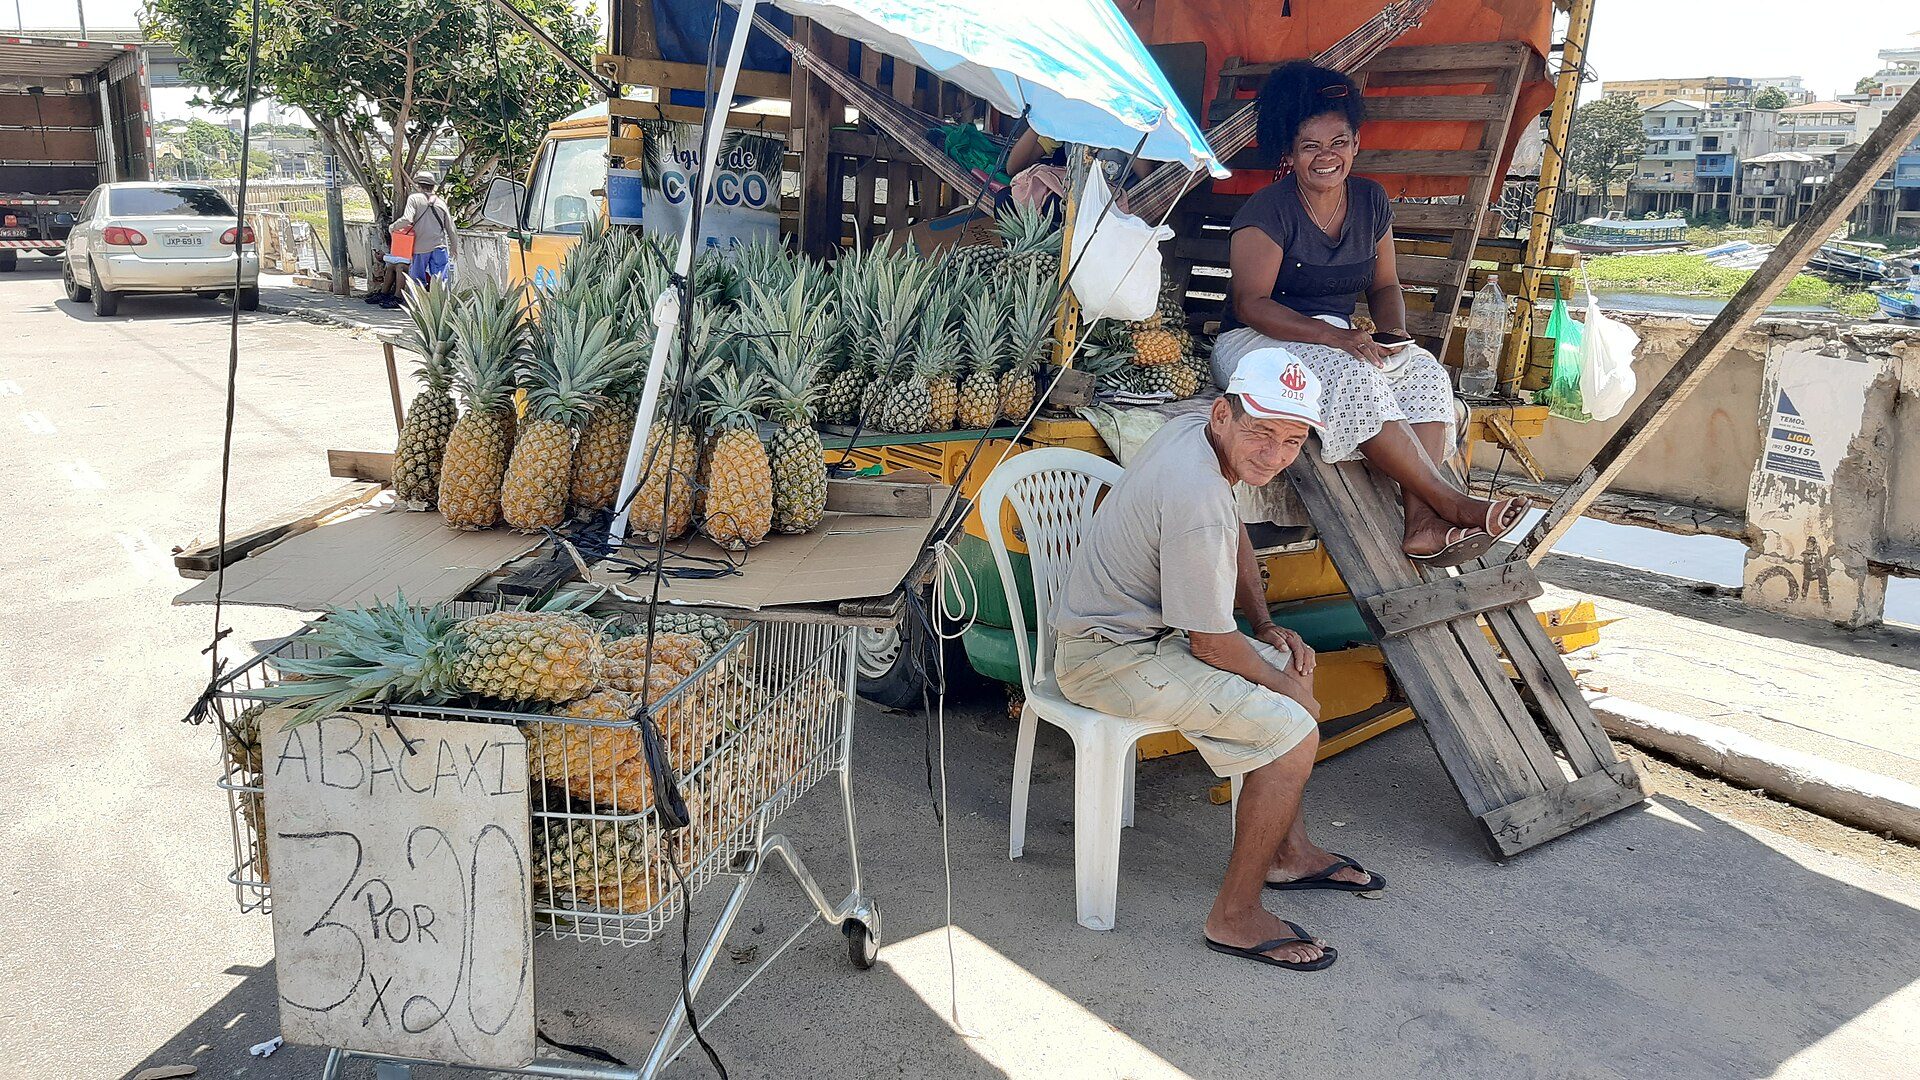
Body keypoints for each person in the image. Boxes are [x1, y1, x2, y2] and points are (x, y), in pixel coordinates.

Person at [1052, 349, 1386, 972]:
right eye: (1261, 433)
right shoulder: (1195, 489)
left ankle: (1288, 853)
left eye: (1292, 439)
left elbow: (1231, 538)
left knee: (1289, 672)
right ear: (1226, 413)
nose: (1274, 454)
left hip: (1149, 635)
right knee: (1292, 725)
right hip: (1106, 657)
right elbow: (1208, 641)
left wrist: (1264, 626)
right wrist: (1288, 690)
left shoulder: (1195, 431)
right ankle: (1233, 916)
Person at [1214, 60, 1525, 567]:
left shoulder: (1370, 201)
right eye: (1310, 146)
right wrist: (1338, 340)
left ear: (1356, 144)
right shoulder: (1268, 210)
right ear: (1289, 155)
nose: (1326, 156)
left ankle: (1421, 523)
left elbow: (1384, 284)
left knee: (1422, 372)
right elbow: (1252, 305)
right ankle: (1450, 500)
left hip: (1336, 337)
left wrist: (1394, 333)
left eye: (1338, 142)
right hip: (1254, 345)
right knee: (1352, 373)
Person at [392, 170, 458, 289]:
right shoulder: (440, 202)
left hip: (420, 248)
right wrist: (454, 246)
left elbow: (407, 219)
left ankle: (419, 305)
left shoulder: (414, 199)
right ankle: (442, 304)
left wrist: (393, 227)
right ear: (432, 186)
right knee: (441, 280)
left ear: (418, 185)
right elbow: (450, 227)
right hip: (439, 246)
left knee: (417, 280)